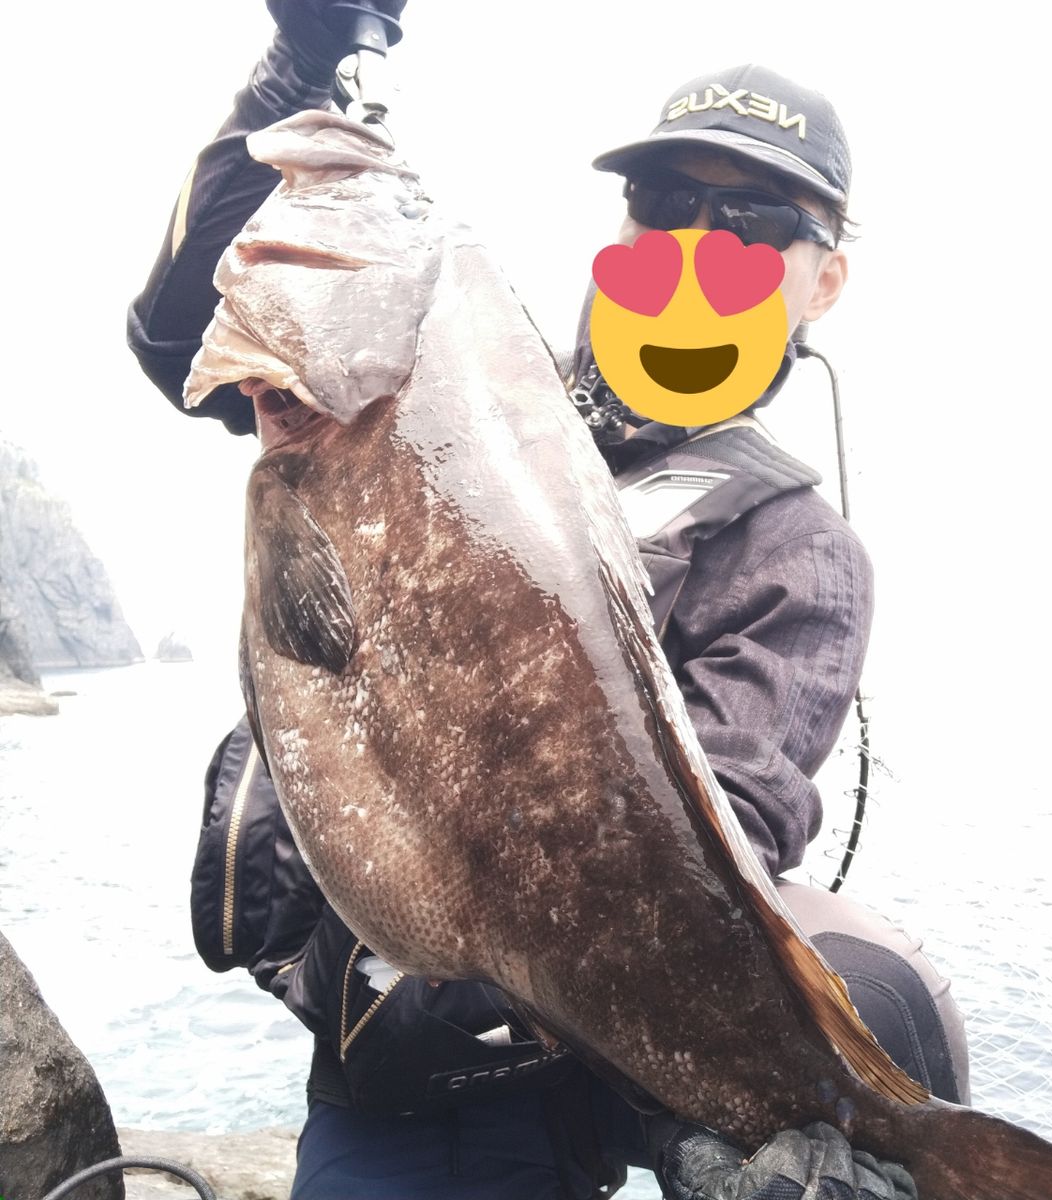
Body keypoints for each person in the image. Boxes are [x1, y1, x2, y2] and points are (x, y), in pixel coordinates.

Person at [128, 3, 970, 1197]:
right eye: (665, 204)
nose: (696, 240)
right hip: (356, 1043)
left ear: (824, 279)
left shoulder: (794, 551)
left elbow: (729, 826)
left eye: (754, 220)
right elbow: (180, 334)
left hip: (496, 1094)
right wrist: (300, 65)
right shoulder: (451, 369)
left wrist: (710, 1080)